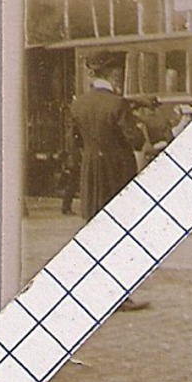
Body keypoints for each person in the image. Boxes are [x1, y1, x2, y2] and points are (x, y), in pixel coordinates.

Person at [70, 51, 150, 311]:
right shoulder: (118, 104)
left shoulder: (78, 104)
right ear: (112, 73)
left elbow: (74, 142)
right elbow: (136, 140)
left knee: (96, 231)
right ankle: (118, 296)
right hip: (117, 172)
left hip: (91, 171)